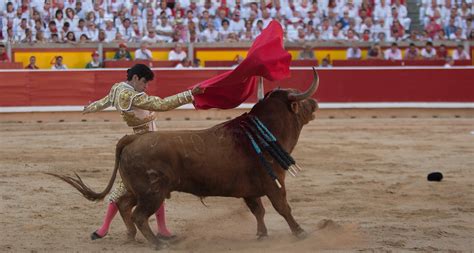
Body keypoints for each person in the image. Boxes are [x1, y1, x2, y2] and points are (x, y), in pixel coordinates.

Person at [82, 64, 205, 240]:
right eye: (144, 83)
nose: (146, 87)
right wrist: (189, 95)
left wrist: (91, 107)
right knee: (155, 183)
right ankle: (156, 229)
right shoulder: (133, 96)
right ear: (136, 78)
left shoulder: (117, 88)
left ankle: (104, 228)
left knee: (138, 185)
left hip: (138, 138)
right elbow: (162, 104)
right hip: (149, 144)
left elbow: (105, 101)